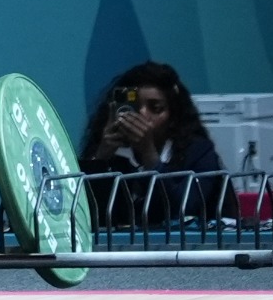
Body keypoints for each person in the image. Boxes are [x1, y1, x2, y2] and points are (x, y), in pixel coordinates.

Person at [80, 62, 225, 225]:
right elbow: (82, 213)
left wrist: (149, 154)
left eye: (155, 108)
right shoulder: (114, 154)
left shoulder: (198, 152)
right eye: (134, 106)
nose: (142, 113)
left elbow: (184, 209)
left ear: (173, 116)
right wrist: (100, 158)